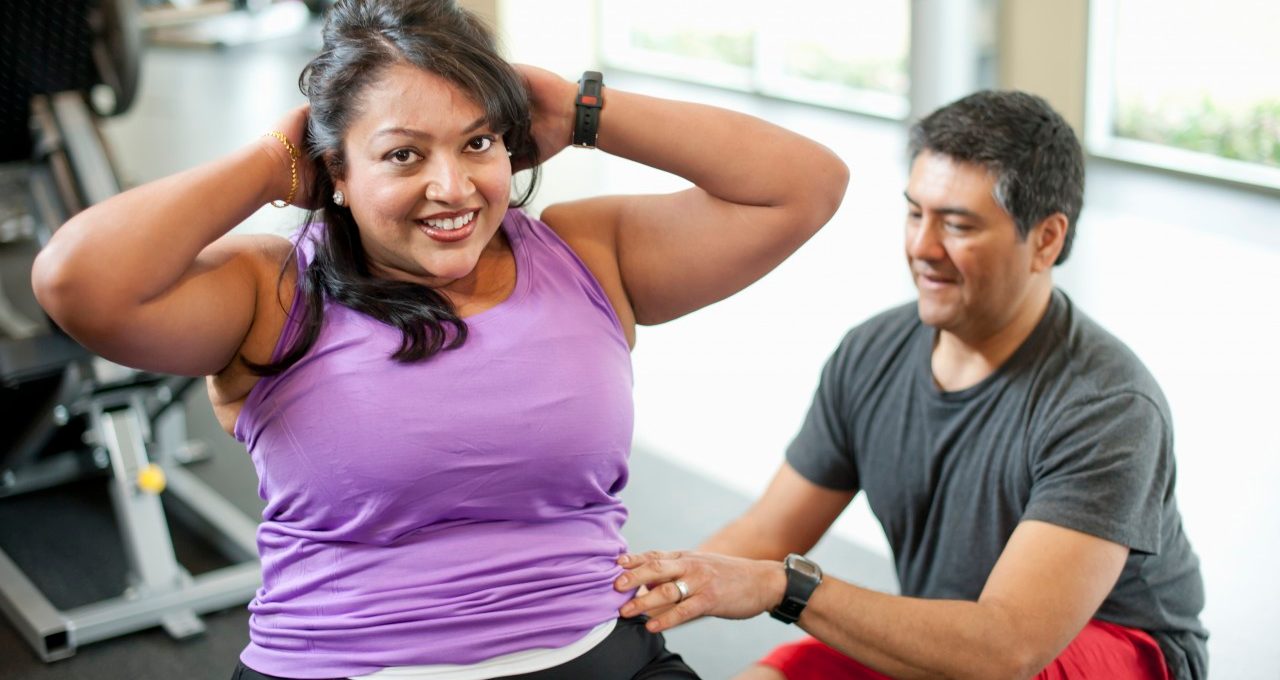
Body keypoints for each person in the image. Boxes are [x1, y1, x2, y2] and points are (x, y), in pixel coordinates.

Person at [30, 1, 848, 678]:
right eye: (402, 155)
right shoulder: (270, 291)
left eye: (479, 142)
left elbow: (804, 186)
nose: (452, 188)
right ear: (334, 175)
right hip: (342, 668)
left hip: (597, 656)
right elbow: (78, 283)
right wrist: (272, 160)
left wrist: (585, 108)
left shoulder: (588, 256)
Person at [614, 90, 1207, 680]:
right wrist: (623, 608)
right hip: (957, 633)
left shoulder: (1106, 406)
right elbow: (767, 534)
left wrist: (784, 587)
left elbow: (1007, 650)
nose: (922, 248)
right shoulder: (873, 353)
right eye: (916, 213)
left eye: (957, 225)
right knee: (781, 671)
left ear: (1046, 240)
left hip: (1097, 646)